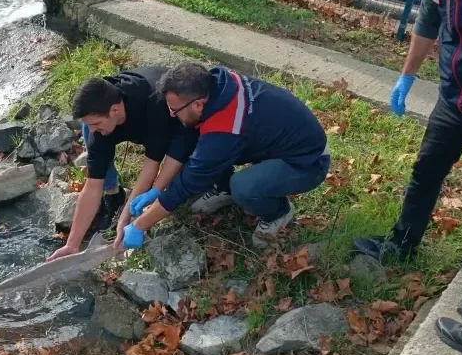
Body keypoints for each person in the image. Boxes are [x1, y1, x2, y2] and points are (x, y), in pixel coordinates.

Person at [121, 62, 330, 249]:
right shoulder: (216, 85)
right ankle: (224, 187)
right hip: (275, 141)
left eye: (175, 110)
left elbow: (187, 183)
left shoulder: (225, 129)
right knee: (201, 146)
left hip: (308, 161)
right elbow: (189, 138)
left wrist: (140, 225)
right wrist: (157, 189)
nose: (171, 114)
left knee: (244, 186)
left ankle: (278, 212)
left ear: (198, 104)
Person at [352, 0, 462, 262]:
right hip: (453, 99)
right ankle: (401, 245)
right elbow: (429, 21)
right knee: (426, 171)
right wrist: (406, 76)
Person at [46, 66, 198, 262]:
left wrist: (125, 217)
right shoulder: (102, 116)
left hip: (175, 121)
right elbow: (92, 186)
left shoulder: (154, 105)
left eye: (96, 124)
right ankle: (114, 194)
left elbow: (152, 165)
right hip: (128, 120)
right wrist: (72, 244)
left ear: (115, 110)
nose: (93, 131)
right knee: (92, 137)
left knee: (183, 154)